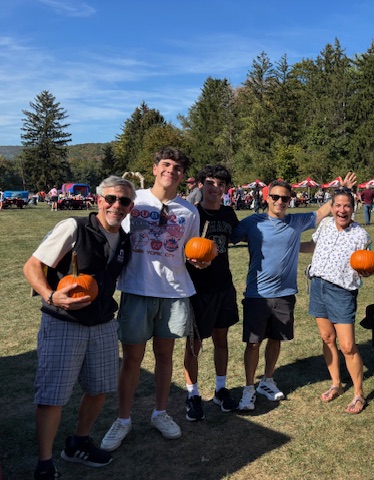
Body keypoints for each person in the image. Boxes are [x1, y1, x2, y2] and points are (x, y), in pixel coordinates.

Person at [24, 176, 136, 480]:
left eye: (124, 201)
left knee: (100, 388)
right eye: (110, 199)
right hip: (64, 323)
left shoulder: (124, 238)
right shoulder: (74, 227)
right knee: (53, 396)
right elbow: (32, 265)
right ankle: (45, 463)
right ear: (98, 200)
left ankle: (78, 443)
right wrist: (51, 296)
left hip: (101, 324)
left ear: (131, 206)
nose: (116, 205)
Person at [101, 147, 206, 452]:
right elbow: (113, 234)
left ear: (183, 175)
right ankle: (122, 419)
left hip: (173, 292)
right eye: (166, 164)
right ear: (156, 167)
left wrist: (199, 262)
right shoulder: (134, 200)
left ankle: (160, 413)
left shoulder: (189, 211)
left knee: (164, 357)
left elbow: (191, 249)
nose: (171, 170)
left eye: (177, 167)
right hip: (136, 288)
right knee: (132, 360)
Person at [231, 174, 354, 411]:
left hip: (285, 293)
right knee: (254, 343)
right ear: (267, 198)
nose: (279, 201)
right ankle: (248, 388)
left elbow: (321, 213)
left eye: (284, 198)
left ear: (289, 201)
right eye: (275, 197)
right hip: (257, 293)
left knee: (276, 339)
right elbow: (228, 237)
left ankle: (267, 380)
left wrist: (341, 190)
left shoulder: (295, 222)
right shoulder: (252, 222)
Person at [301, 186, 370, 414]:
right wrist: (291, 247)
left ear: (354, 208)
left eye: (347, 206)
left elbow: (365, 263)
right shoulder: (325, 225)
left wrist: (367, 271)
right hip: (319, 285)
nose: (342, 210)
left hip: (341, 291)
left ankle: (359, 394)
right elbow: (313, 246)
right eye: (338, 205)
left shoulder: (361, 235)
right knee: (327, 337)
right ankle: (336, 384)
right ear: (331, 208)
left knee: (348, 346)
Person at [183, 165, 240, 420]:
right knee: (194, 344)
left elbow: (237, 238)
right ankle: (192, 394)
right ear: (201, 185)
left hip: (223, 286)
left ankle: (220, 389)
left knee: (221, 340)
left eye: (220, 184)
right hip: (198, 288)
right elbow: (181, 249)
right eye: (210, 182)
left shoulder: (229, 213)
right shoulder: (193, 214)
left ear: (226, 188)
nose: (215, 188)